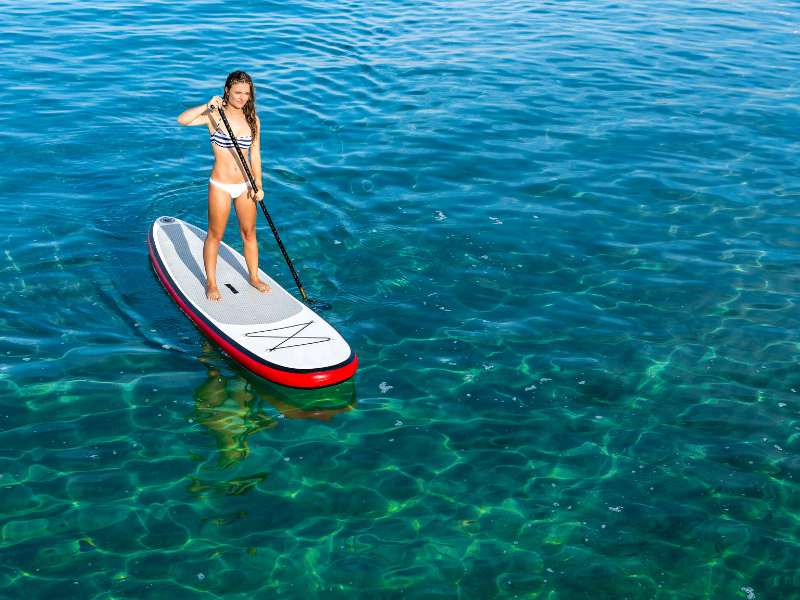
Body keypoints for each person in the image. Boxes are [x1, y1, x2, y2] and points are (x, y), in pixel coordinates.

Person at [177, 70, 270, 301]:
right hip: (220, 184)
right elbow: (183, 120)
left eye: (246, 93)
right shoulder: (214, 116)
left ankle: (254, 277)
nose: (242, 98)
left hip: (245, 185)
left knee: (249, 233)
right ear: (227, 90)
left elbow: (255, 155)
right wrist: (206, 105)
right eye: (238, 92)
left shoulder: (252, 119)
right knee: (215, 235)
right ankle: (211, 282)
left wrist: (258, 184)